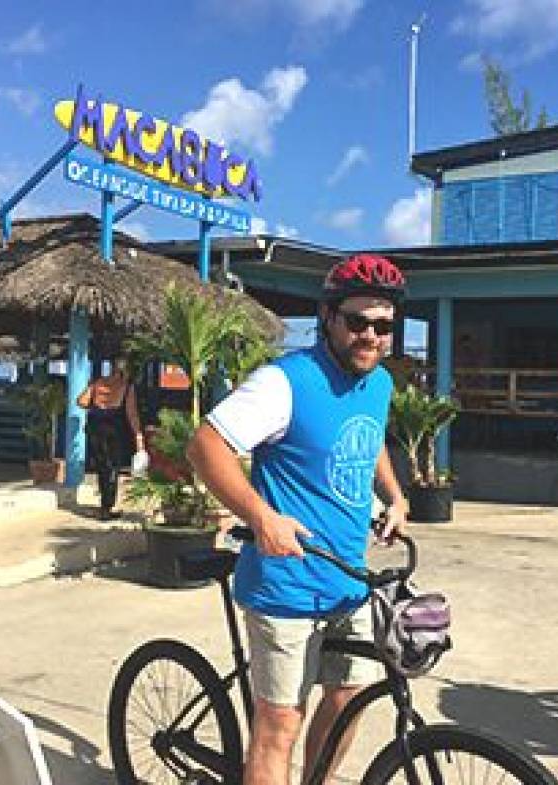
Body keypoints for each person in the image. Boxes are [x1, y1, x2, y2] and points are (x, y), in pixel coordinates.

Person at [186, 253, 409, 785]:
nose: (370, 336)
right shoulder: (286, 382)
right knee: (280, 724)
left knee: (348, 699)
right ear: (328, 317)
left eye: (382, 326)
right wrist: (263, 518)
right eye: (357, 322)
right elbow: (205, 445)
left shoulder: (378, 384)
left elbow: (369, 436)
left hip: (348, 578)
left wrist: (395, 498)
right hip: (285, 584)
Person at [77, 356, 145, 520]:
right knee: (112, 468)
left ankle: (104, 504)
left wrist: (98, 401)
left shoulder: (98, 383)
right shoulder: (126, 388)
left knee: (102, 467)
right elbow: (132, 414)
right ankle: (106, 506)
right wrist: (139, 439)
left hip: (95, 429)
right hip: (114, 431)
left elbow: (81, 401)